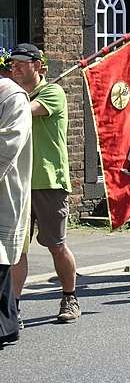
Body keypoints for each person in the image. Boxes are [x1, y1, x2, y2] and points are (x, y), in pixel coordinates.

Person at [9, 43, 80, 323]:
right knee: (16, 248)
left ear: (37, 65)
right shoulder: (12, 95)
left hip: (48, 181)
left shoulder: (53, 92)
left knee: (56, 245)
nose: (14, 68)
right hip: (17, 183)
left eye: (21, 63)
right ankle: (13, 308)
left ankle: (69, 297)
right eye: (12, 64)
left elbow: (25, 111)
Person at [0, 76, 31, 346]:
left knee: (0, 257)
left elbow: (8, 145)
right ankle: (7, 325)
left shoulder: (13, 98)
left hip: (6, 187)